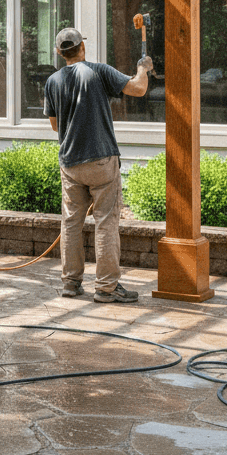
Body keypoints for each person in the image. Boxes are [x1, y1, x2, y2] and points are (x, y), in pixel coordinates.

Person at [44, 28, 154, 303]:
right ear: (82, 47)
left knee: (71, 222)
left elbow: (55, 126)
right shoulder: (98, 71)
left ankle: (70, 283)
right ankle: (106, 288)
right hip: (102, 160)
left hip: (70, 163)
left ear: (59, 53)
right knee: (105, 222)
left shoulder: (53, 81)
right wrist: (143, 68)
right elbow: (138, 89)